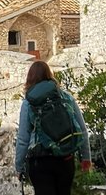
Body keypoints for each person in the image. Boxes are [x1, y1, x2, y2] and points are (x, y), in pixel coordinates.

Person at [15, 61, 92, 195]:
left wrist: (19, 167)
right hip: (65, 158)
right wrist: (86, 158)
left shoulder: (28, 103)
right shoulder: (66, 97)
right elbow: (82, 130)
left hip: (40, 161)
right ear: (49, 75)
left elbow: (23, 139)